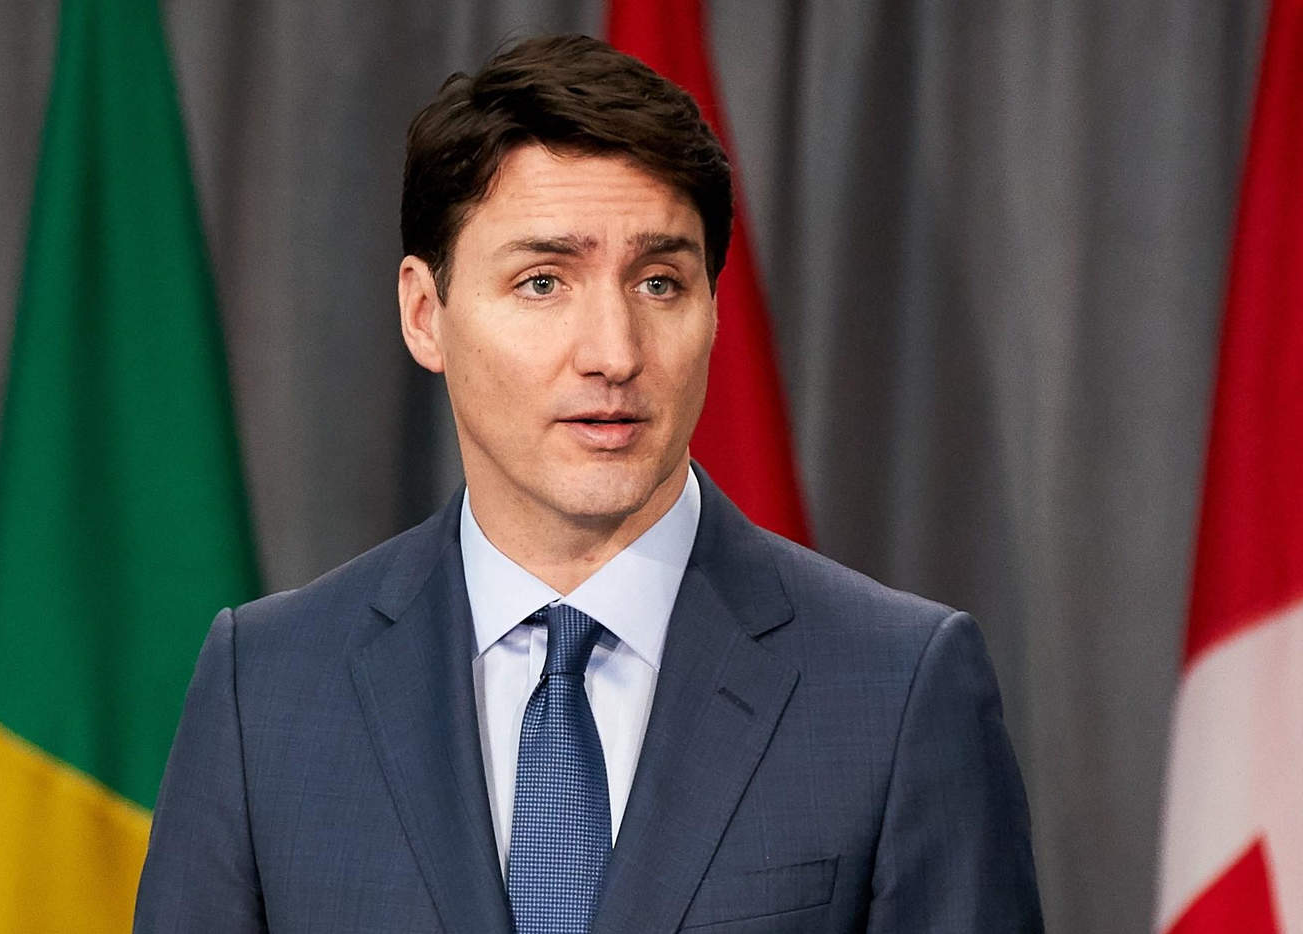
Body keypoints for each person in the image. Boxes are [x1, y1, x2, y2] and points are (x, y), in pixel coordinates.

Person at [135, 33, 1042, 933]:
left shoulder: (899, 687)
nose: (614, 353)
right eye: (542, 282)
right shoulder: (266, 690)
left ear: (713, 312)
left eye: (659, 283)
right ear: (424, 313)